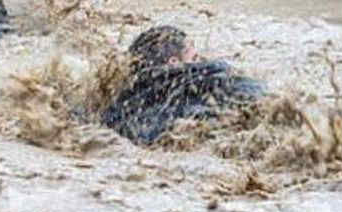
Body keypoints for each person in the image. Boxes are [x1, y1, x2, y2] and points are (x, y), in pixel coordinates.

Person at [101, 25, 264, 145]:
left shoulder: (120, 104)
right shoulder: (203, 77)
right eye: (194, 59)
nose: (200, 62)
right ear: (173, 62)